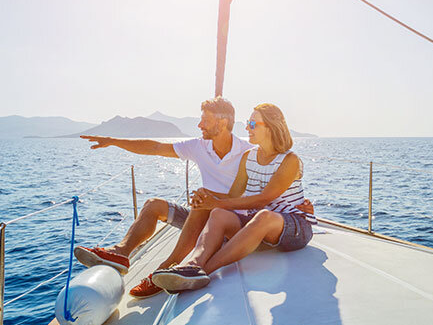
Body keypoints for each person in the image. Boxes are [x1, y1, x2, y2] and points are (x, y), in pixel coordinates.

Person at [74, 97, 253, 298]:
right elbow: (155, 148)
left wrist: (211, 199)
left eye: (205, 120)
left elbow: (257, 195)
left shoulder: (248, 152)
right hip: (201, 216)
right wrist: (114, 142)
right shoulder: (200, 146)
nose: (199, 125)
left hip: (229, 226)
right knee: (154, 205)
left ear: (223, 122)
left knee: (202, 203)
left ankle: (168, 266)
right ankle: (121, 253)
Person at [151, 103, 315, 292]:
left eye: (252, 124)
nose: (246, 128)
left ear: (270, 127)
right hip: (259, 227)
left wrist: (216, 201)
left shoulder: (290, 160)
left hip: (294, 228)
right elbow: (234, 196)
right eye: (247, 123)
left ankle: (202, 271)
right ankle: (193, 263)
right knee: (219, 213)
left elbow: (264, 199)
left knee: (263, 215)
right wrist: (208, 198)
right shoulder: (248, 156)